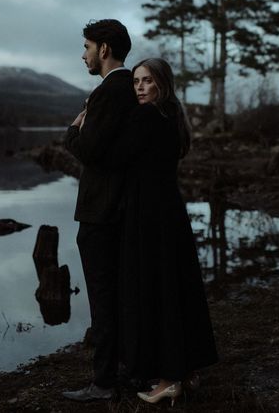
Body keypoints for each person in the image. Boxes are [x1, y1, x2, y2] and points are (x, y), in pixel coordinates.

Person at [107, 58, 218, 406]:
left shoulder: (145, 116)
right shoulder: (172, 116)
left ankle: (169, 379)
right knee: (177, 287)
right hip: (170, 209)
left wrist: (83, 127)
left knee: (158, 290)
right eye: (136, 82)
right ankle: (185, 369)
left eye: (146, 81)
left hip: (148, 214)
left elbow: (115, 156)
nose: (139, 87)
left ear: (161, 85)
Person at [61, 19, 138, 402]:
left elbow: (89, 150)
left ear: (104, 49)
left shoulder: (112, 90)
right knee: (118, 296)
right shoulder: (129, 88)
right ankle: (123, 369)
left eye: (88, 47)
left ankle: (105, 382)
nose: (84, 54)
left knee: (103, 298)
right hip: (118, 209)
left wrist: (72, 130)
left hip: (101, 212)